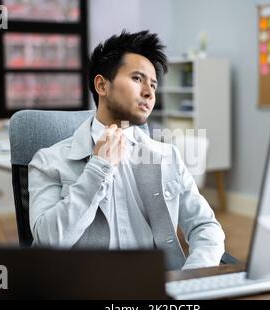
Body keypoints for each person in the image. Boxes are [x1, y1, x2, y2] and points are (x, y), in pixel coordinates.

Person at [28, 30, 225, 270]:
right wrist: (98, 169)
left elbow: (206, 227)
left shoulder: (167, 156)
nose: (149, 92)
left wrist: (189, 282)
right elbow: (47, 245)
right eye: (137, 79)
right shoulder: (49, 161)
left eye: (153, 84)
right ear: (102, 85)